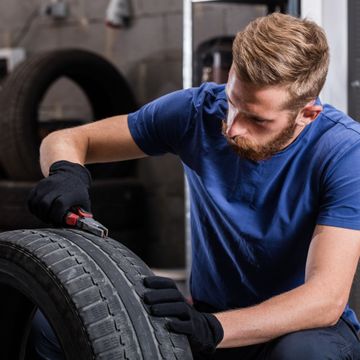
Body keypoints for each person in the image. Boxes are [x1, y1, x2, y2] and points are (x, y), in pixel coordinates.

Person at [28, 12, 360, 359]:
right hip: (206, 314)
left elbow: (325, 299)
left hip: (297, 328)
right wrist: (66, 172)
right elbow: (68, 139)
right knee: (52, 321)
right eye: (232, 103)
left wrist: (213, 329)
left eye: (257, 119)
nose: (232, 128)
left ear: (307, 114)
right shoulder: (197, 111)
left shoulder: (344, 152)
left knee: (302, 354)